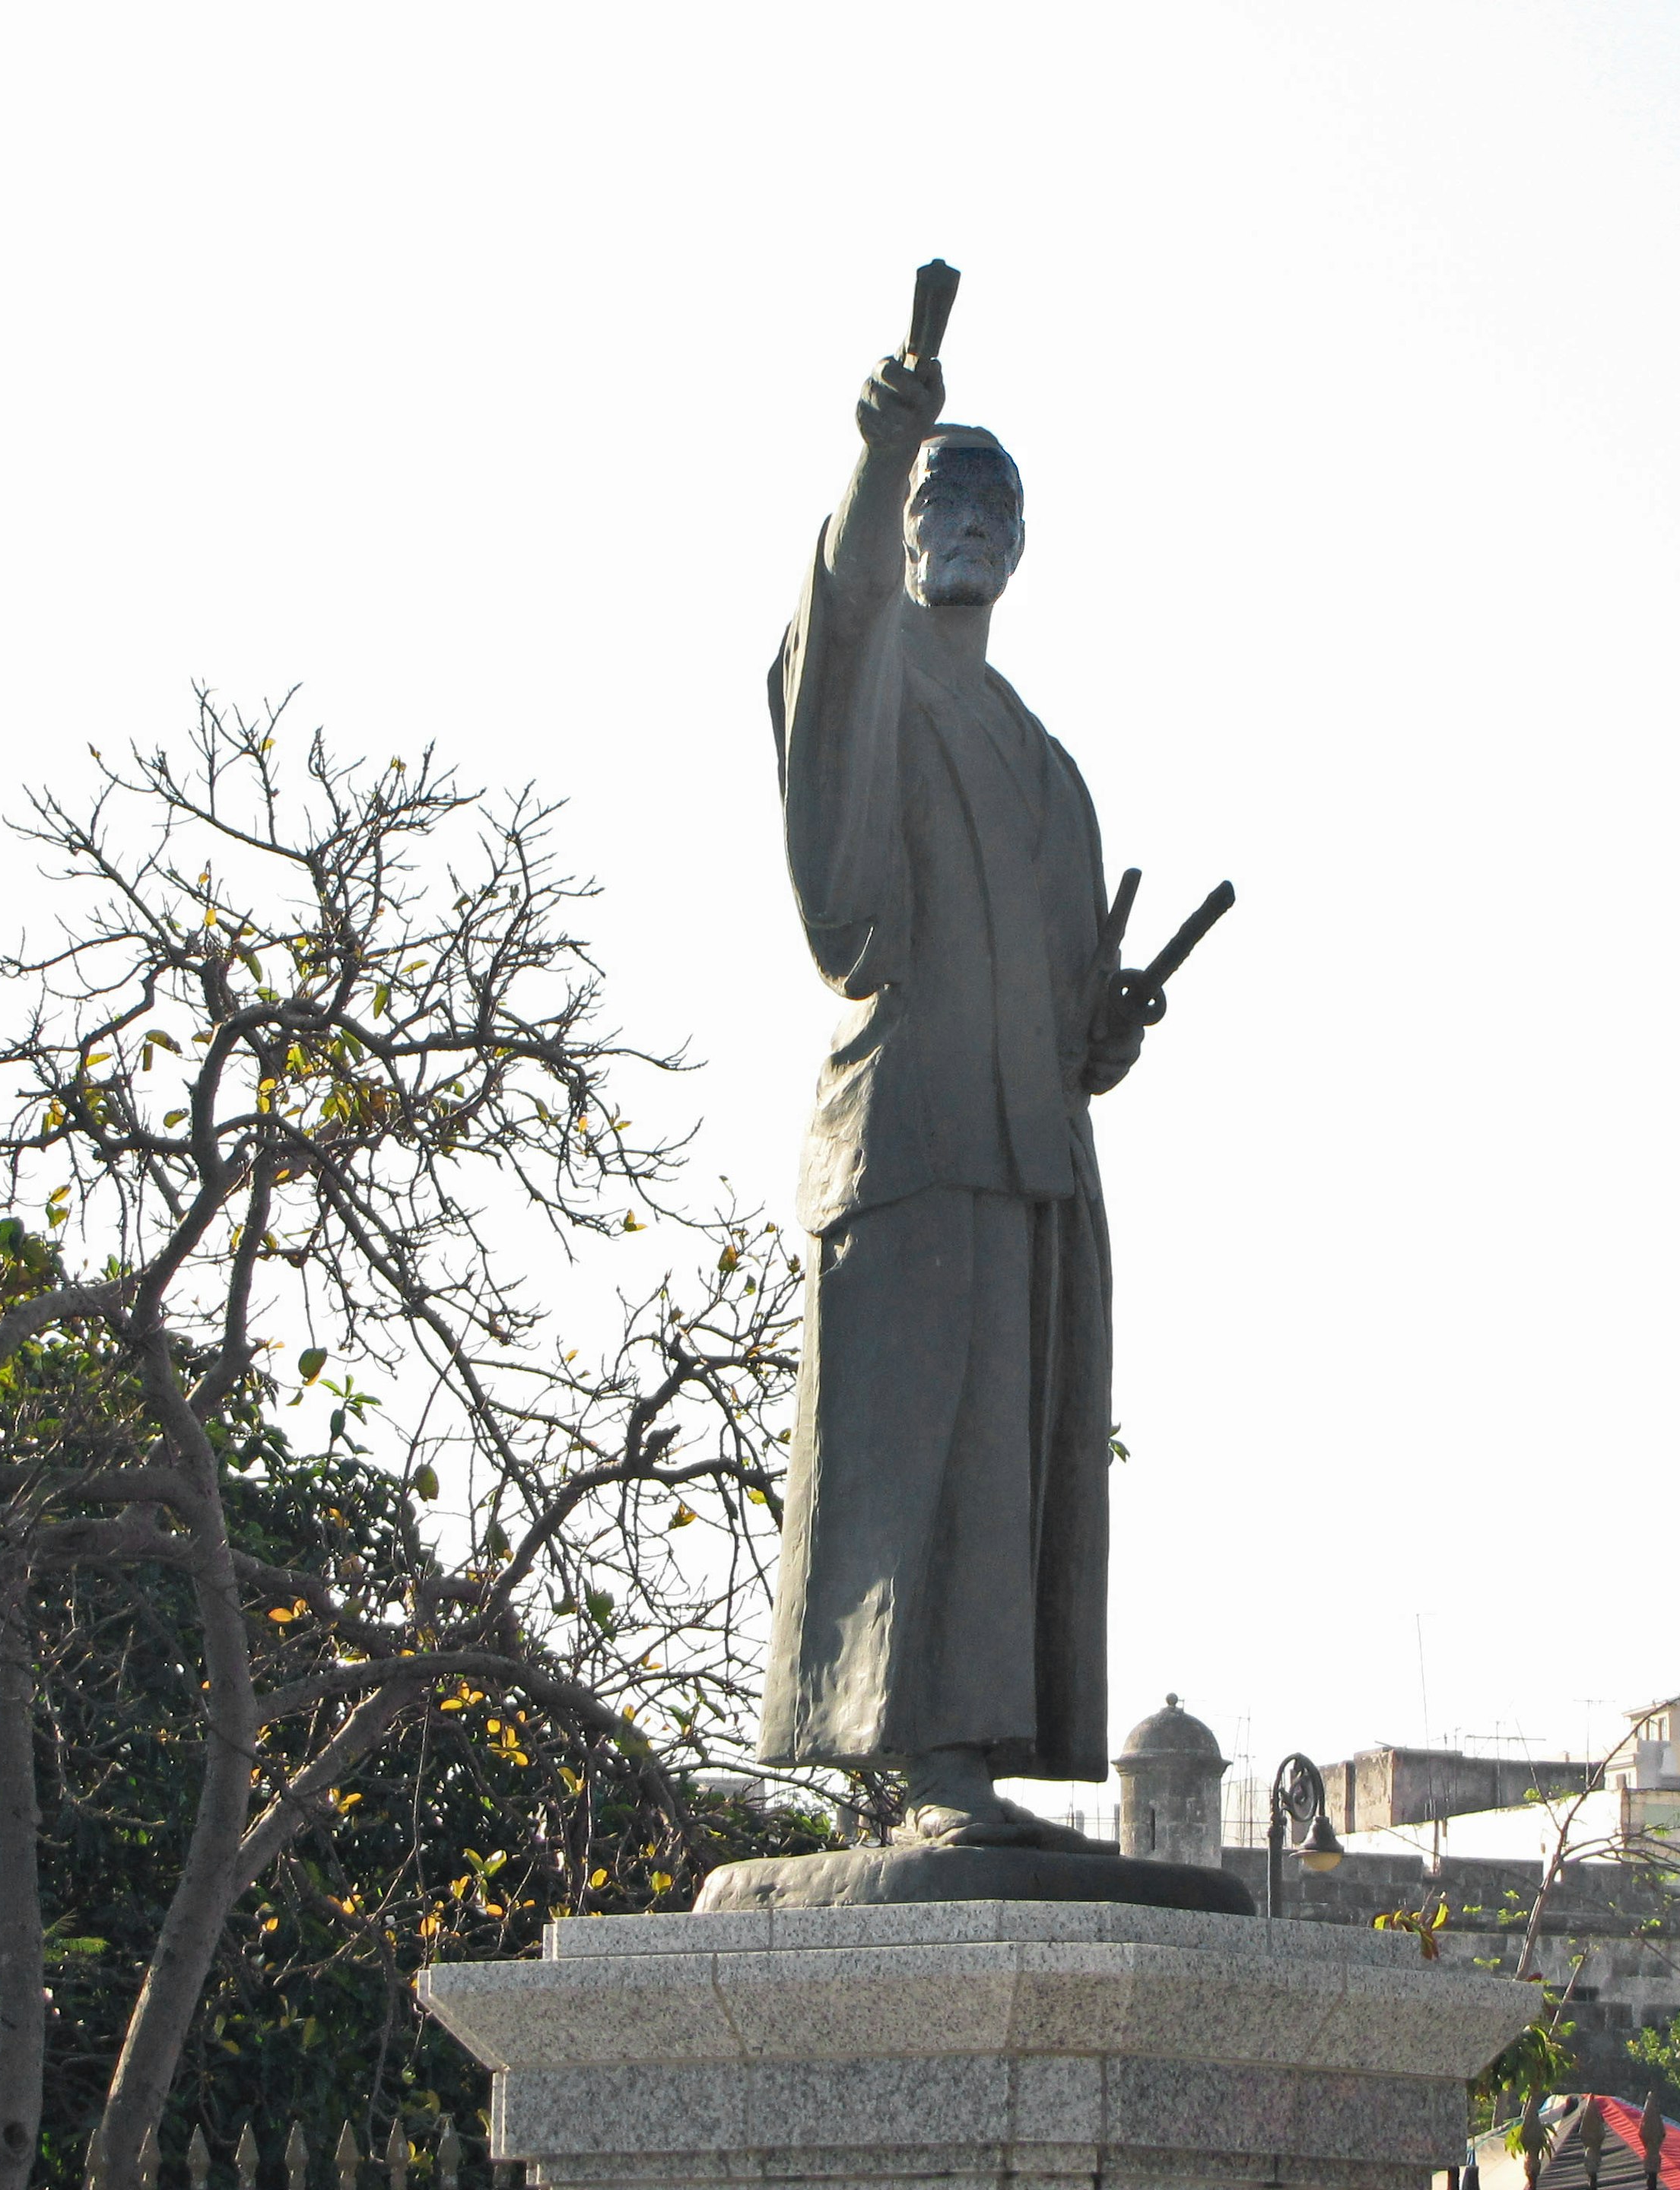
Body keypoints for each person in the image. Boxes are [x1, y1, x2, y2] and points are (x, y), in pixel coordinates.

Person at [756, 340, 1151, 1847]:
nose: (969, 521)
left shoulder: (1049, 772)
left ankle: (965, 1769)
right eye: (942, 496)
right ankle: (907, 1769)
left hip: (1027, 1156)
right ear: (905, 524)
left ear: (1024, 542)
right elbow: (836, 627)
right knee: (908, 1452)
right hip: (909, 1132)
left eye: (996, 502)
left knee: (1005, 1465)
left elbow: (1069, 1027)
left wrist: (1106, 1034)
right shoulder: (873, 677)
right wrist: (876, 451)